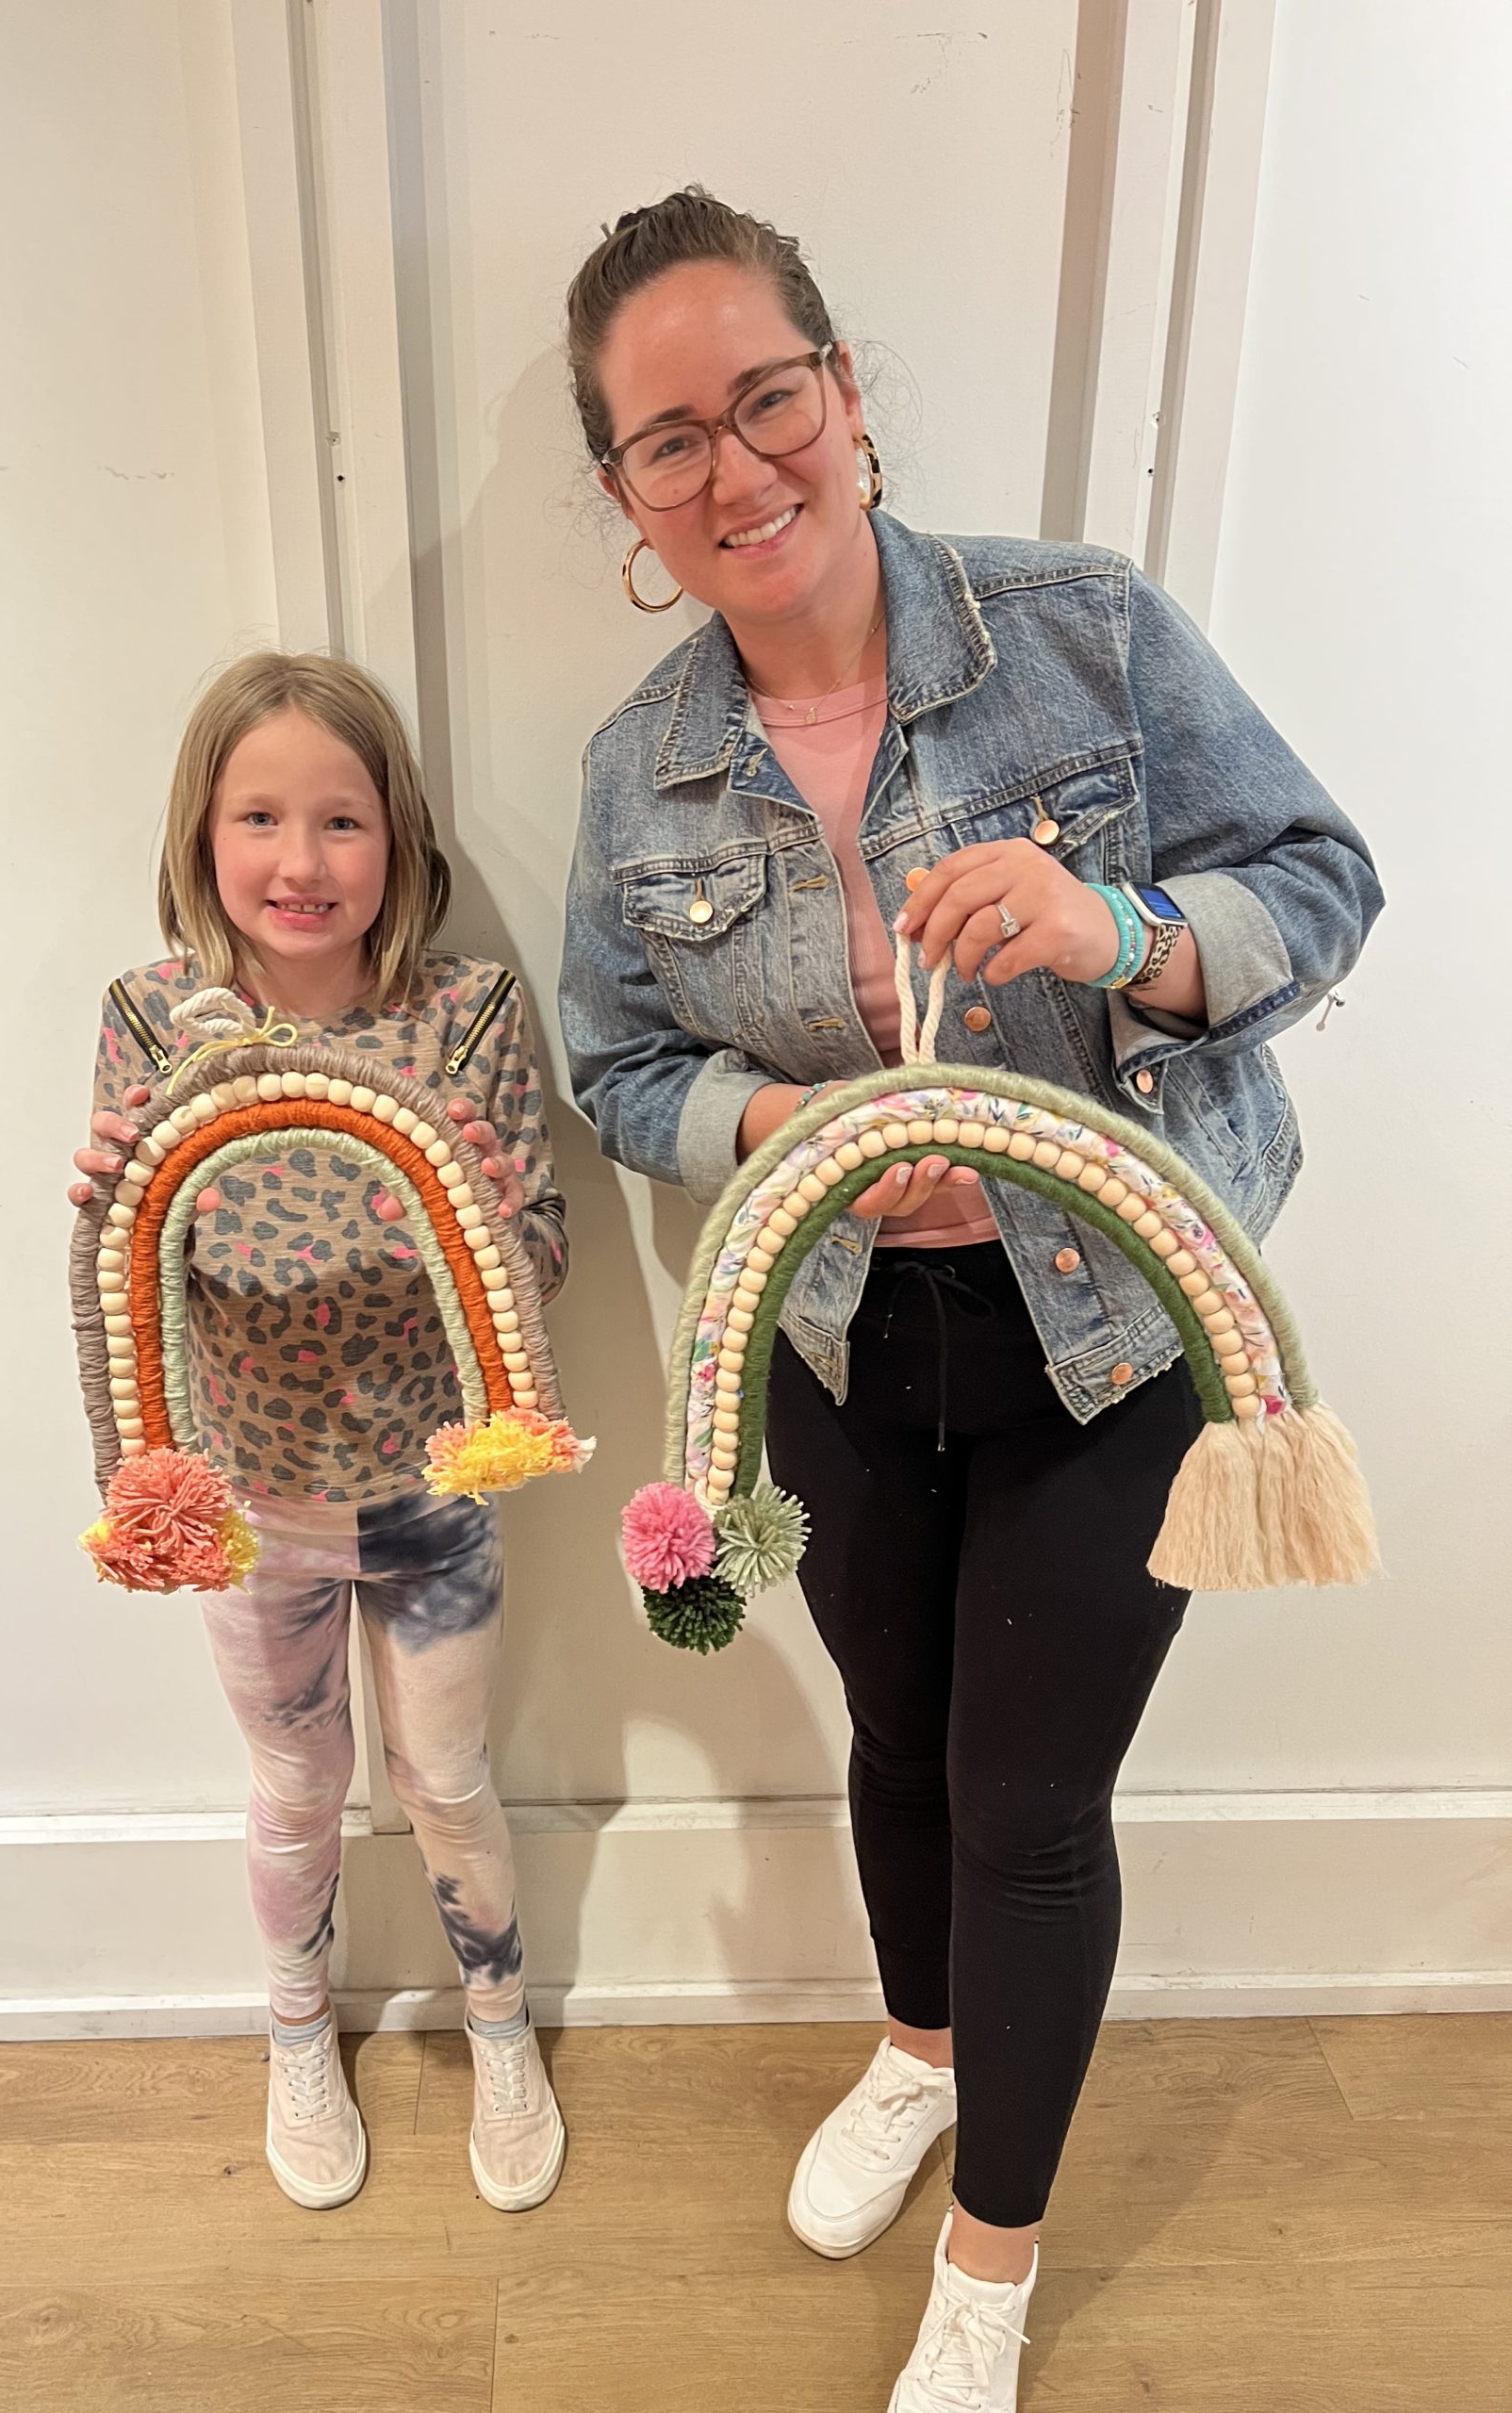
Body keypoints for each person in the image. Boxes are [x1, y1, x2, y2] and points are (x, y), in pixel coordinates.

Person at [558, 189, 1380, 2411]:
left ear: (848, 399)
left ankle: (994, 2261)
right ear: (624, 493)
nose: (738, 472)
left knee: (1030, 1800)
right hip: (835, 1342)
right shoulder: (641, 766)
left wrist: (1117, 922)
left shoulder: (1081, 629)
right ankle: (917, 2048)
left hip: (1113, 1343)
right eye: (670, 442)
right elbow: (618, 1058)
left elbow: (1324, 882)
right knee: (901, 1741)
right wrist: (779, 1135)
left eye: (771, 402)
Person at [69, 652, 567, 2217]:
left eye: (341, 821)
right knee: (295, 1786)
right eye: (262, 818)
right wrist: (107, 1201)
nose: (301, 862)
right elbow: (136, 1270)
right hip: (247, 1496)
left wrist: (492, 1203)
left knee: (446, 1776)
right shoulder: (156, 1023)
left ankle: (499, 2020)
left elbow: (535, 1260)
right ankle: (298, 2028)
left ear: (399, 838)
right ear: (201, 836)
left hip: (432, 1487)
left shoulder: (466, 1011)